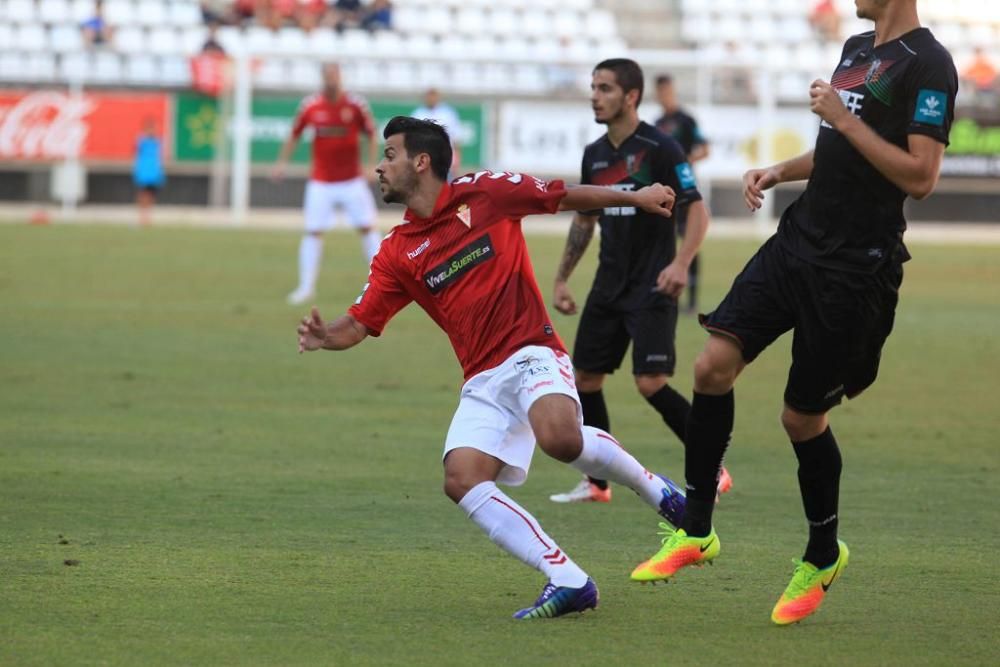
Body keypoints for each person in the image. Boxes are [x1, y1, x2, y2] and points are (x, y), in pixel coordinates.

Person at [631, 0, 957, 627]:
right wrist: (780, 169)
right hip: (798, 240)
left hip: (855, 268)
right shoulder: (858, 51)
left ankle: (821, 553)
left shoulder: (929, 65)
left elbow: (921, 175)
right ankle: (696, 529)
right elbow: (837, 148)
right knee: (710, 367)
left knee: (800, 419)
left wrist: (841, 117)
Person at [296, 116, 689, 620]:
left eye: (389, 155)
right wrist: (325, 335)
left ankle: (660, 493)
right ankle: (568, 578)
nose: (379, 166)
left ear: (421, 162)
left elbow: (563, 195)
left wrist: (634, 198)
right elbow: (360, 322)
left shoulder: (485, 194)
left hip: (531, 350)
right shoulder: (396, 251)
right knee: (461, 477)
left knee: (561, 439)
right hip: (483, 379)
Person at [547, 59, 725, 506]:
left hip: (652, 283)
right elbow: (585, 219)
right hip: (608, 284)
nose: (594, 95)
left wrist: (681, 263)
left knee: (650, 382)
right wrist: (563, 278)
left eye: (604, 88)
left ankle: (713, 467)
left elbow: (697, 210)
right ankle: (598, 482)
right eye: (592, 87)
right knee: (585, 380)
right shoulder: (595, 154)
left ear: (630, 97)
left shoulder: (661, 148)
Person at [273, 62, 380, 305]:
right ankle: (306, 287)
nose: (332, 80)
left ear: (341, 77)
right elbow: (294, 134)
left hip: (352, 180)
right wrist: (281, 163)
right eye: (328, 76)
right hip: (321, 182)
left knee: (367, 228)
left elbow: (372, 135)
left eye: (335, 75)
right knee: (313, 231)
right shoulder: (311, 105)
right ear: (322, 78)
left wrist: (371, 165)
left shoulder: (355, 105)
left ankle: (384, 283)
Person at [655, 73, 710, 315]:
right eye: (659, 92)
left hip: (685, 191)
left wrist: (682, 162)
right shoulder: (656, 123)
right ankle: (662, 291)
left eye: (666, 90)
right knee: (661, 242)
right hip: (662, 192)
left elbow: (705, 149)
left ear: (672, 90)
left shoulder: (686, 120)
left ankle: (692, 301)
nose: (663, 96)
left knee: (689, 242)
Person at [410, 88, 462, 174]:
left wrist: (457, 161)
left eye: (433, 95)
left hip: (445, 159)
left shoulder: (448, 114)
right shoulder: (418, 114)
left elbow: (456, 138)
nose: (431, 98)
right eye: (429, 96)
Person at [133, 118, 165, 227]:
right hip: (144, 171)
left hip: (154, 171)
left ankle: (148, 217)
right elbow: (136, 151)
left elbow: (160, 156)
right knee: (143, 194)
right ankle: (142, 217)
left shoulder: (158, 141)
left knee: (151, 194)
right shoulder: (141, 140)